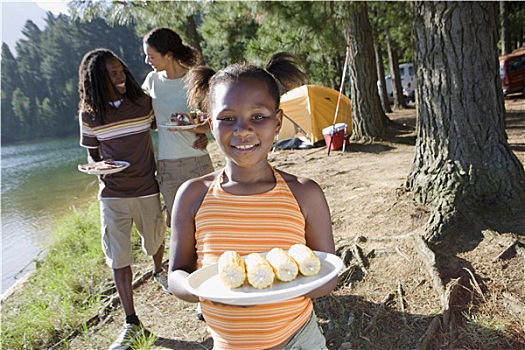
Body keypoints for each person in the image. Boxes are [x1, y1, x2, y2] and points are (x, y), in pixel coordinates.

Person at [168, 52, 338, 350]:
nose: (242, 130)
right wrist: (206, 291)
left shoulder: (304, 193)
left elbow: (327, 277)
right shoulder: (193, 195)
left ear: (278, 121)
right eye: (227, 118)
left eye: (258, 117)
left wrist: (276, 289)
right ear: (211, 124)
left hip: (297, 340)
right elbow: (177, 275)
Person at [78, 48, 167, 350]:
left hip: (146, 188)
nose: (118, 76)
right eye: (110, 73)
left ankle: (158, 271)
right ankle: (132, 321)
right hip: (112, 193)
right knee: (119, 257)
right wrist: (101, 167)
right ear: (95, 80)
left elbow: (165, 127)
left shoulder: (141, 102)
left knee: (154, 241)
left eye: (119, 70)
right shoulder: (89, 114)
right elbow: (93, 153)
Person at [142, 27, 214, 232]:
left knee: (206, 219)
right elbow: (144, 116)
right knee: (178, 224)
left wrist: (202, 132)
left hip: (197, 161)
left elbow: (212, 121)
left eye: (151, 56)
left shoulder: (194, 80)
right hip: (168, 166)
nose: (148, 61)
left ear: (169, 55)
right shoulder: (151, 81)